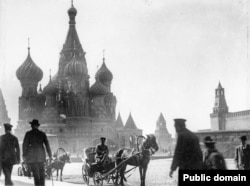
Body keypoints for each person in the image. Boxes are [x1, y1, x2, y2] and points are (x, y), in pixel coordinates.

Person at [22, 119, 52, 186]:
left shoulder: (28, 134)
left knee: (36, 175)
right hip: (41, 157)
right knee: (42, 174)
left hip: (32, 157)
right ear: (37, 126)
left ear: (32, 126)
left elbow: (25, 145)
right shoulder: (42, 134)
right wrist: (50, 155)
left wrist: (24, 155)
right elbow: (47, 145)